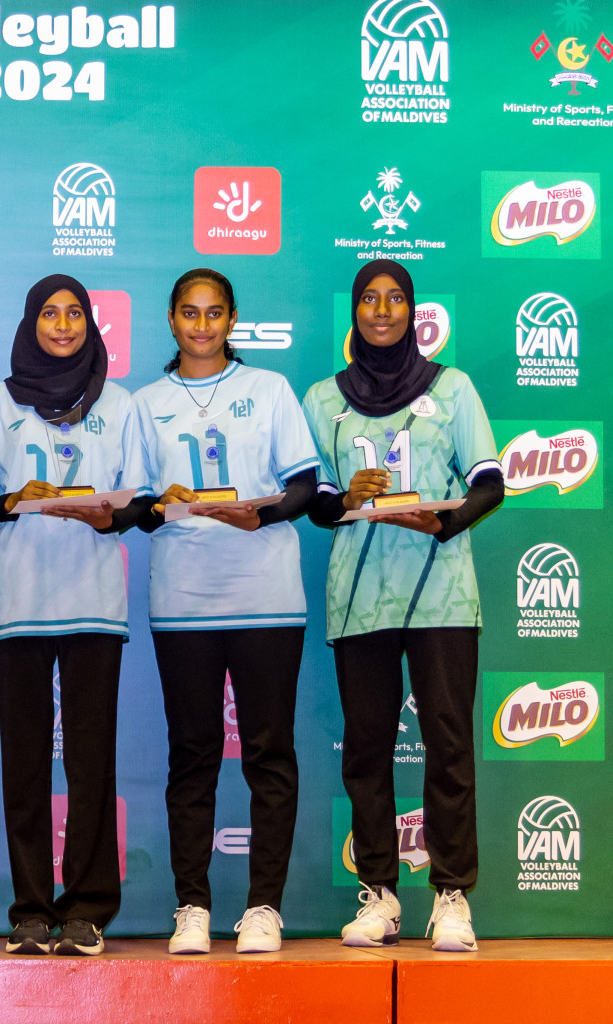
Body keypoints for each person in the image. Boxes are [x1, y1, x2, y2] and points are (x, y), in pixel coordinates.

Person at [303, 259, 502, 953]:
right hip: (360, 599)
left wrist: (444, 523)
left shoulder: (453, 388)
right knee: (366, 749)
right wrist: (349, 498)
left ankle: (450, 896)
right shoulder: (323, 398)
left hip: (443, 593)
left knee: (448, 743)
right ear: (353, 312)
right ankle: (381, 895)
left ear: (413, 312)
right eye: (369, 299)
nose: (382, 310)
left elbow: (489, 481)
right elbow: (318, 503)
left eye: (395, 299)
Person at [132, 269, 319, 954]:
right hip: (183, 602)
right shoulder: (145, 402)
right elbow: (138, 512)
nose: (202, 325)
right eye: (190, 313)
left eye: (214, 314)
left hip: (267, 597)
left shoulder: (268, 390)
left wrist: (260, 511)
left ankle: (264, 907)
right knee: (193, 755)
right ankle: (192, 906)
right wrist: (158, 503)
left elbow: (304, 486)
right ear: (172, 320)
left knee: (269, 753)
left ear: (232, 320)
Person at [0, 275, 152, 956]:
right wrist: (18, 496)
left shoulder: (122, 403)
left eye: (75, 313)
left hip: (94, 606)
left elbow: (140, 503)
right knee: (23, 766)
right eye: (49, 312)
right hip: (18, 603)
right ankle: (29, 910)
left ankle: (86, 909)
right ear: (30, 322)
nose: (63, 324)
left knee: (90, 765)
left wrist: (110, 515)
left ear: (89, 325)